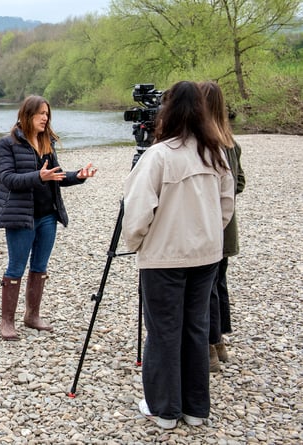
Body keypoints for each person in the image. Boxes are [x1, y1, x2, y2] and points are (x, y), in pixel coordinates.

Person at [121, 81, 235, 429]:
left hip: (165, 257)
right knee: (196, 328)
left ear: (166, 113)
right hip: (205, 256)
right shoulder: (214, 152)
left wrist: (136, 243)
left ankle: (164, 409)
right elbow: (226, 205)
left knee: (163, 331)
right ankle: (196, 408)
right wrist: (209, 233)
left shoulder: (159, 155)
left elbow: (138, 210)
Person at [0, 95, 97, 341]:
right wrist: (39, 177)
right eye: (41, 113)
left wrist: (79, 175)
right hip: (21, 217)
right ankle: (7, 321)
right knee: (16, 268)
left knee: (39, 267)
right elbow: (8, 179)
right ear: (27, 115)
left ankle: (32, 316)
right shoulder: (7, 144)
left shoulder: (46, 141)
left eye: (47, 114)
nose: (45, 118)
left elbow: (56, 176)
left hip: (48, 216)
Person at [198, 81, 246, 372]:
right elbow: (239, 183)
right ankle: (219, 344)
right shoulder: (230, 141)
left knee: (207, 288)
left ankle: (210, 345)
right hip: (227, 229)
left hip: (209, 227)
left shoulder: (207, 144)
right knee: (218, 284)